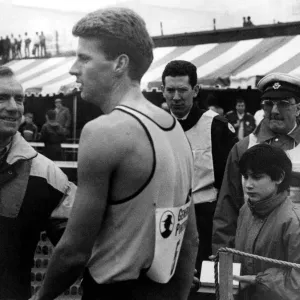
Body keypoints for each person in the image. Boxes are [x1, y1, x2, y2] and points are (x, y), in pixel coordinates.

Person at [32, 7, 198, 300]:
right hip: (163, 290)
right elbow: (189, 240)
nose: (73, 69)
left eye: (84, 58)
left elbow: (74, 251)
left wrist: (40, 298)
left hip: (114, 291)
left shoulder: (104, 132)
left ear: (120, 63)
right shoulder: (174, 129)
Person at [0, 66, 76, 300]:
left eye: (19, 99)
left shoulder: (47, 175)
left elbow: (78, 251)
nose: (14, 107)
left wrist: (43, 295)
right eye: (2, 98)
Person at [161, 60, 237, 280]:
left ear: (195, 91)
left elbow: (229, 185)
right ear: (163, 91)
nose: (176, 97)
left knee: (203, 286)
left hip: (206, 220)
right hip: (166, 219)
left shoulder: (216, 126)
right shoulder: (154, 126)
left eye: (182, 90)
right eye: (170, 90)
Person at [212, 72, 300, 255]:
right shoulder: (243, 148)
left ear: (298, 108)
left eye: (283, 104)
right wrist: (224, 257)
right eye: (268, 104)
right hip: (249, 254)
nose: (275, 111)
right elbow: (227, 210)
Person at [233, 143, 300, 300]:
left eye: (256, 177)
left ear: (279, 177)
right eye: (245, 177)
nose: (248, 185)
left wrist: (259, 280)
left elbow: (297, 281)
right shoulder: (246, 210)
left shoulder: (294, 222)